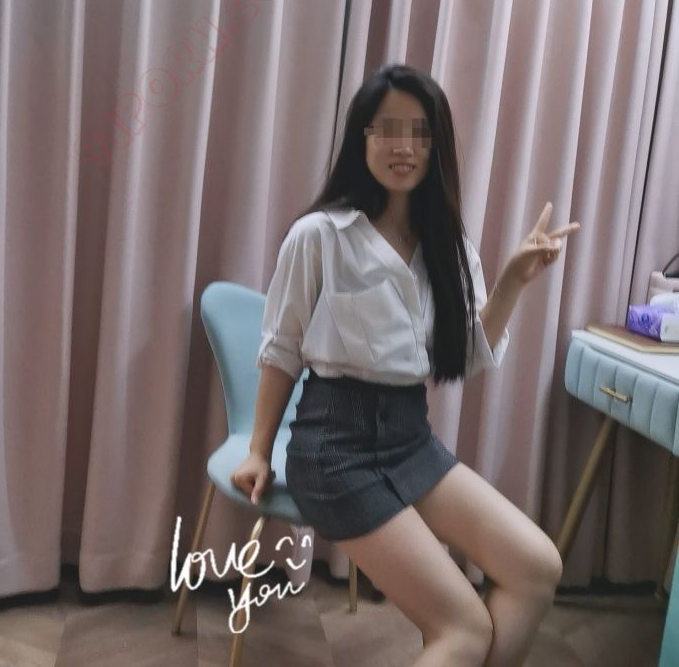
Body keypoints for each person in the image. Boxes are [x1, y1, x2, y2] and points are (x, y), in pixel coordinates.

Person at [230, 63, 580, 667]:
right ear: (361, 138)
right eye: (387, 129)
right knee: (463, 629)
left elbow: (464, 357)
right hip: (332, 447)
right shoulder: (319, 236)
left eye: (420, 133)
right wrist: (259, 449)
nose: (404, 147)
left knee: (536, 568)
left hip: (409, 439)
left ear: (436, 146)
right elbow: (281, 349)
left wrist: (513, 282)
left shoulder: (449, 247)